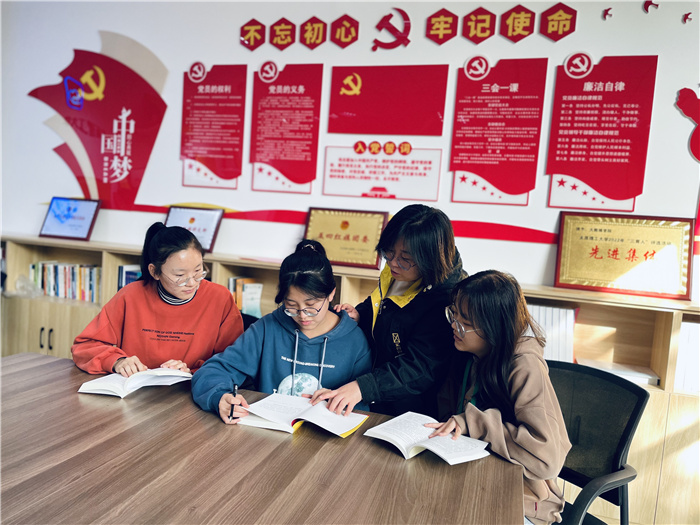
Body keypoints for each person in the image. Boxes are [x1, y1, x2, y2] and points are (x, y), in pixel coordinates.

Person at [425, 270, 571, 525]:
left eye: (465, 322)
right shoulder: (470, 355)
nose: (454, 325)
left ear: (494, 327)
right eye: (454, 314)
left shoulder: (524, 366)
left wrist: (473, 422)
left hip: (522, 501)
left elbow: (547, 459)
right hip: (473, 480)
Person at [191, 239, 372, 424]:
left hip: (323, 436)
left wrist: (337, 402)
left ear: (331, 293)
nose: (302, 315)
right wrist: (219, 397)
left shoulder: (354, 340)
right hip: (269, 432)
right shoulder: (267, 328)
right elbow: (213, 371)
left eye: (311, 306)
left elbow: (362, 407)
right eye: (291, 305)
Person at [312, 204, 467, 418]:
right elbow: (384, 305)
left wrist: (362, 388)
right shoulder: (402, 270)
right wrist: (362, 313)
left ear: (429, 259)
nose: (393, 263)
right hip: (378, 388)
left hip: (410, 409)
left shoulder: (446, 299)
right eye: (389, 252)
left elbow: (419, 369)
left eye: (405, 259)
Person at [72, 222, 244, 376]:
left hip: (191, 392)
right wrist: (118, 361)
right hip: (137, 392)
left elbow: (234, 361)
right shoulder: (130, 296)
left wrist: (191, 372)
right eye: (180, 275)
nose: (192, 283)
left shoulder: (220, 298)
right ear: (154, 272)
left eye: (198, 271)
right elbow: (85, 346)